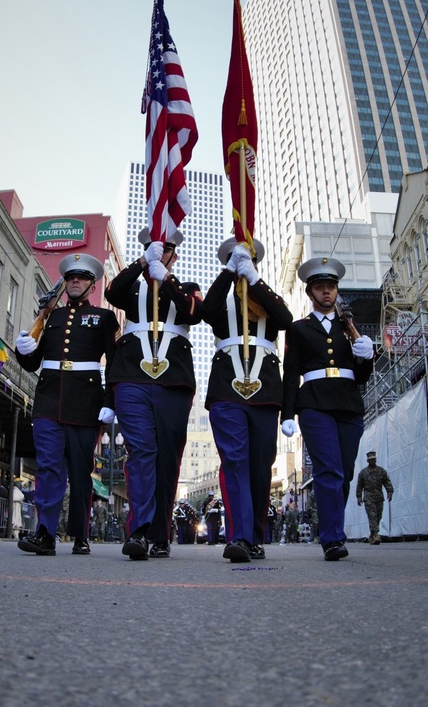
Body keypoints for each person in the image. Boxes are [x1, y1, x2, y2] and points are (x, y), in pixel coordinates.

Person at [105, 229, 202, 561]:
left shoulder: (186, 288)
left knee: (167, 457)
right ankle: (140, 531)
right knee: (142, 450)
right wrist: (141, 262)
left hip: (173, 380)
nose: (160, 255)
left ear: (175, 255)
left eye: (165, 251)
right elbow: (112, 291)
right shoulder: (132, 288)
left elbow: (193, 313)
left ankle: (161, 533)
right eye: (154, 250)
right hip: (131, 375)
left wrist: (166, 278)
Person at [15, 251, 119, 556]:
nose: (75, 281)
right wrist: (24, 349)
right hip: (48, 400)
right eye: (71, 277)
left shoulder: (104, 318)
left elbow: (112, 363)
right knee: (47, 466)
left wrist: (111, 402)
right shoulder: (51, 317)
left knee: (79, 471)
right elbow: (34, 362)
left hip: (86, 404)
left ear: (91, 285)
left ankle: (80, 533)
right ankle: (45, 533)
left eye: (82, 277)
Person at [199, 237, 292, 562]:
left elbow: (285, 318)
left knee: (260, 467)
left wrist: (253, 279)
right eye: (236, 260)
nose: (241, 266)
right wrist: (228, 273)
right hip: (227, 389)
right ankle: (238, 537)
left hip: (265, 392)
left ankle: (254, 536)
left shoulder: (266, 299)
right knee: (235, 460)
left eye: (246, 261)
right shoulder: (222, 300)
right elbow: (205, 311)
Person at [281, 256, 375, 561]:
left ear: (336, 291)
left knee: (344, 473)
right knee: (328, 470)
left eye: (331, 287)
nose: (326, 292)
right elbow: (291, 371)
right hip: (314, 405)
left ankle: (331, 528)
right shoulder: (299, 329)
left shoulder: (349, 327)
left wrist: (365, 356)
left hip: (348, 404)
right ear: (310, 293)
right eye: (320, 287)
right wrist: (287, 414)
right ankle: (333, 538)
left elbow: (361, 378)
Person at [355, 449, 394, 545]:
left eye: (373, 459)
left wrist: (390, 491)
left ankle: (372, 534)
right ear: (367, 460)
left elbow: (386, 482)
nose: (372, 461)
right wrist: (359, 496)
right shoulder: (363, 473)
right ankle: (376, 535)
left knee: (378, 516)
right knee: (372, 515)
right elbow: (359, 485)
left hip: (379, 496)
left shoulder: (381, 471)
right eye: (370, 459)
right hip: (368, 497)